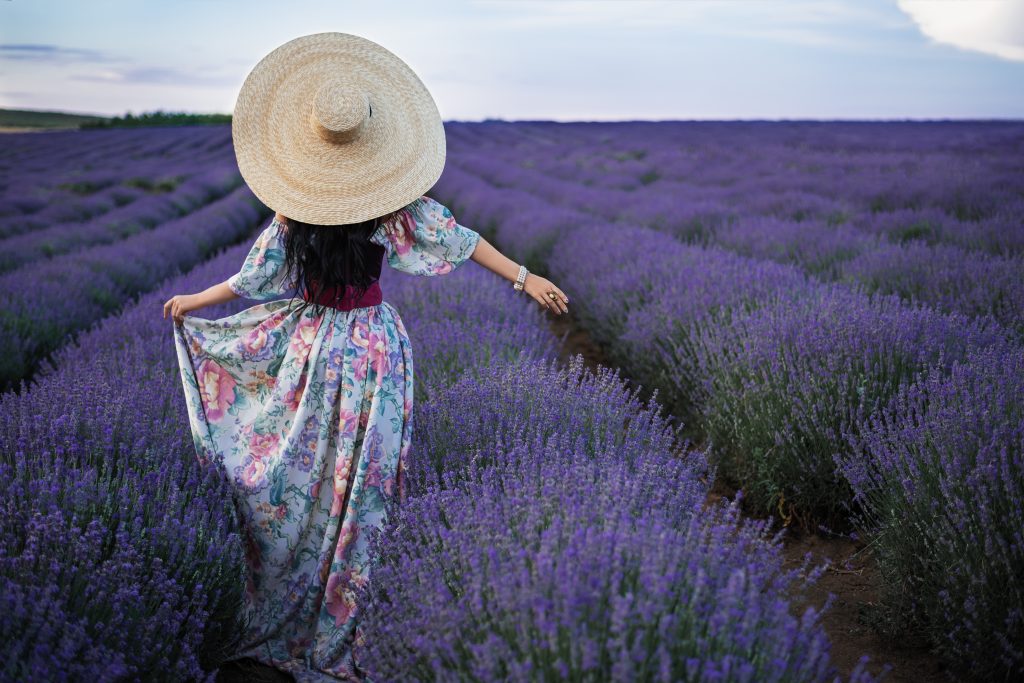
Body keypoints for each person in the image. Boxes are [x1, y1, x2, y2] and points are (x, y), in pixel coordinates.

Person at [162, 32, 568, 683]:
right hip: (375, 349)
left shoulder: (293, 214)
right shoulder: (395, 206)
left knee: (304, 476)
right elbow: (464, 240)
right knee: (367, 481)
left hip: (314, 348)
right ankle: (351, 599)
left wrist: (192, 300)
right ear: (374, 141)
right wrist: (525, 278)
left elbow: (250, 278)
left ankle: (292, 588)